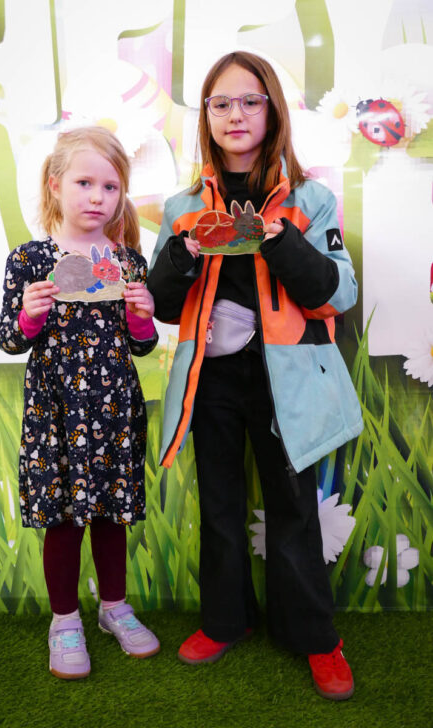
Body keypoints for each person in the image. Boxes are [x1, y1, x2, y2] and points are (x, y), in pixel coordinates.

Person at [147, 51, 363, 701]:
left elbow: (338, 293)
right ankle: (226, 620)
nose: (234, 114)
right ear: (205, 116)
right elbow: (161, 305)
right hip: (210, 377)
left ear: (272, 109)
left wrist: (277, 238)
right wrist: (183, 253)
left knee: (293, 507)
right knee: (219, 504)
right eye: (220, 103)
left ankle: (314, 637)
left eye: (249, 101)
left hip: (286, 380)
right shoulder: (183, 205)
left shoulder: (310, 199)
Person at [0, 126, 160, 679]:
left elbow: (142, 345)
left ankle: (115, 608)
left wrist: (142, 316)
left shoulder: (127, 262)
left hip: (114, 413)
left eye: (110, 187)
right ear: (55, 184)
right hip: (56, 416)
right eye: (84, 183)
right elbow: (9, 340)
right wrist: (29, 314)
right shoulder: (30, 260)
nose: (97, 197)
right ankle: (65, 621)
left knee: (112, 515)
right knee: (63, 520)